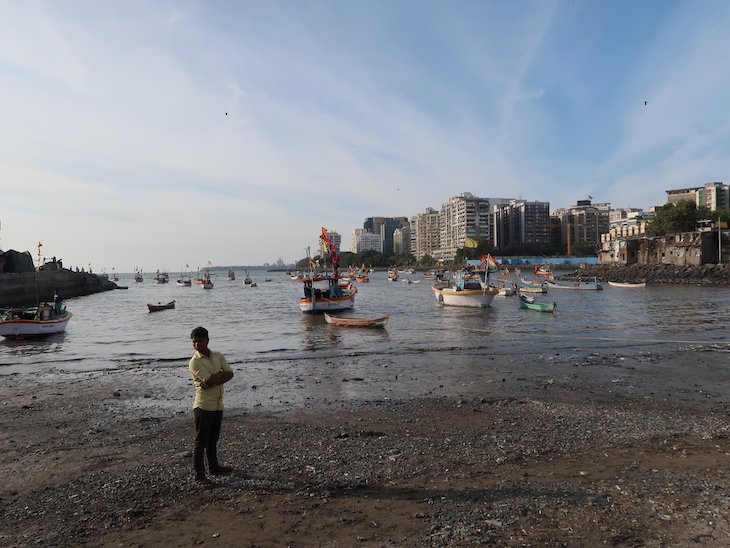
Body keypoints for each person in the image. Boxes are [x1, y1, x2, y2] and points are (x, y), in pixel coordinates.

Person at [188, 326, 234, 487]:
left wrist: (211, 381)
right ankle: (199, 476)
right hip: (203, 406)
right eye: (194, 342)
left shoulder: (218, 356)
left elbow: (229, 373)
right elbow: (212, 378)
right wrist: (212, 379)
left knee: (213, 439)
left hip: (217, 405)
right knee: (201, 441)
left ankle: (214, 468)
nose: (196, 345)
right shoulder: (194, 362)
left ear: (207, 340)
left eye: (199, 341)